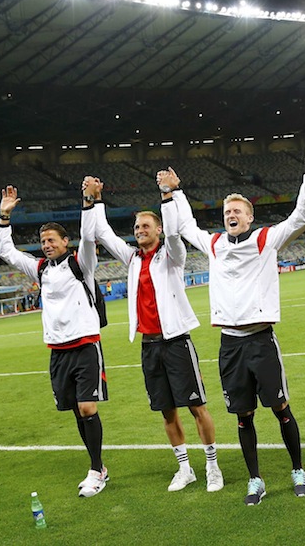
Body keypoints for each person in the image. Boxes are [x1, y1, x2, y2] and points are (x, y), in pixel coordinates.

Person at [161, 161, 305, 506]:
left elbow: (302, 215)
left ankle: (298, 470)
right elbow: (186, 225)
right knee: (243, 416)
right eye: (227, 211)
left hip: (261, 340)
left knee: (280, 407)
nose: (230, 214)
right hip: (229, 344)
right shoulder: (215, 245)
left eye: (237, 211)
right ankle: (255, 479)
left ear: (249, 217)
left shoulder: (264, 239)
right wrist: (174, 191)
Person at [82, 176, 224, 494]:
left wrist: (167, 193)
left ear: (158, 229)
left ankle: (212, 466)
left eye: (146, 226)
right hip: (149, 346)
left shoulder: (172, 255)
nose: (139, 231)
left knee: (197, 406)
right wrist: (93, 200)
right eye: (136, 228)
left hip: (176, 342)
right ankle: (184, 468)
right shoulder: (133, 259)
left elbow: (175, 232)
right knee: (166, 410)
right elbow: (102, 233)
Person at [0, 184, 109, 498]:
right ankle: (97, 466)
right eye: (43, 241)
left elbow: (88, 238)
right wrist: (4, 217)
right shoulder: (41, 269)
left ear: (64, 242)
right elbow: (6, 252)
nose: (46, 245)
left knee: (87, 408)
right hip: (58, 351)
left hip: (85, 345)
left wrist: (88, 202)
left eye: (51, 240)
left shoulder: (81, 264)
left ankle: (96, 470)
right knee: (76, 411)